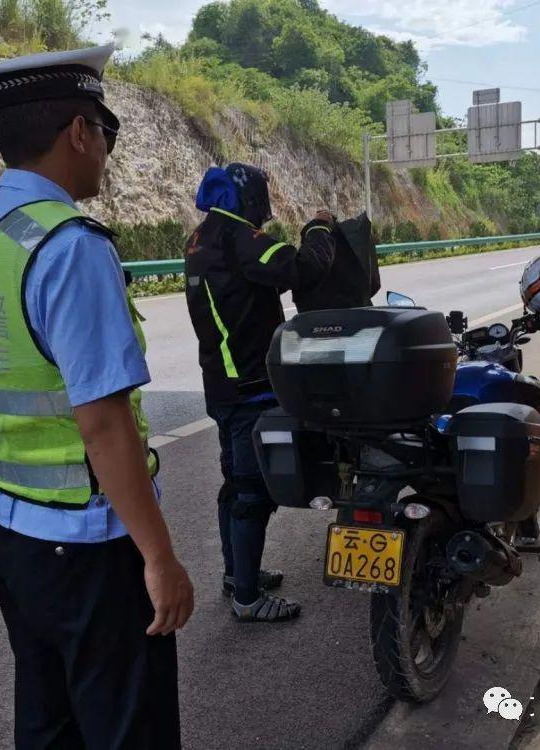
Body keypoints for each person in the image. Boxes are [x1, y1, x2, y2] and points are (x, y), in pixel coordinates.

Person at [0, 44, 193, 748]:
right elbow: (105, 424)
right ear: (79, 131)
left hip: (11, 539)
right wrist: (159, 558)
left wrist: (10, 489)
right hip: (90, 553)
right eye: (107, 133)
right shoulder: (70, 247)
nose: (107, 151)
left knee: (48, 729)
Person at [184, 163, 336, 622]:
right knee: (251, 492)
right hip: (250, 386)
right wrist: (319, 228)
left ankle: (237, 576)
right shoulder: (238, 238)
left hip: (222, 384)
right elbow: (302, 268)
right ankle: (247, 599)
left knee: (234, 485)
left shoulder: (200, 237)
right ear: (249, 199)